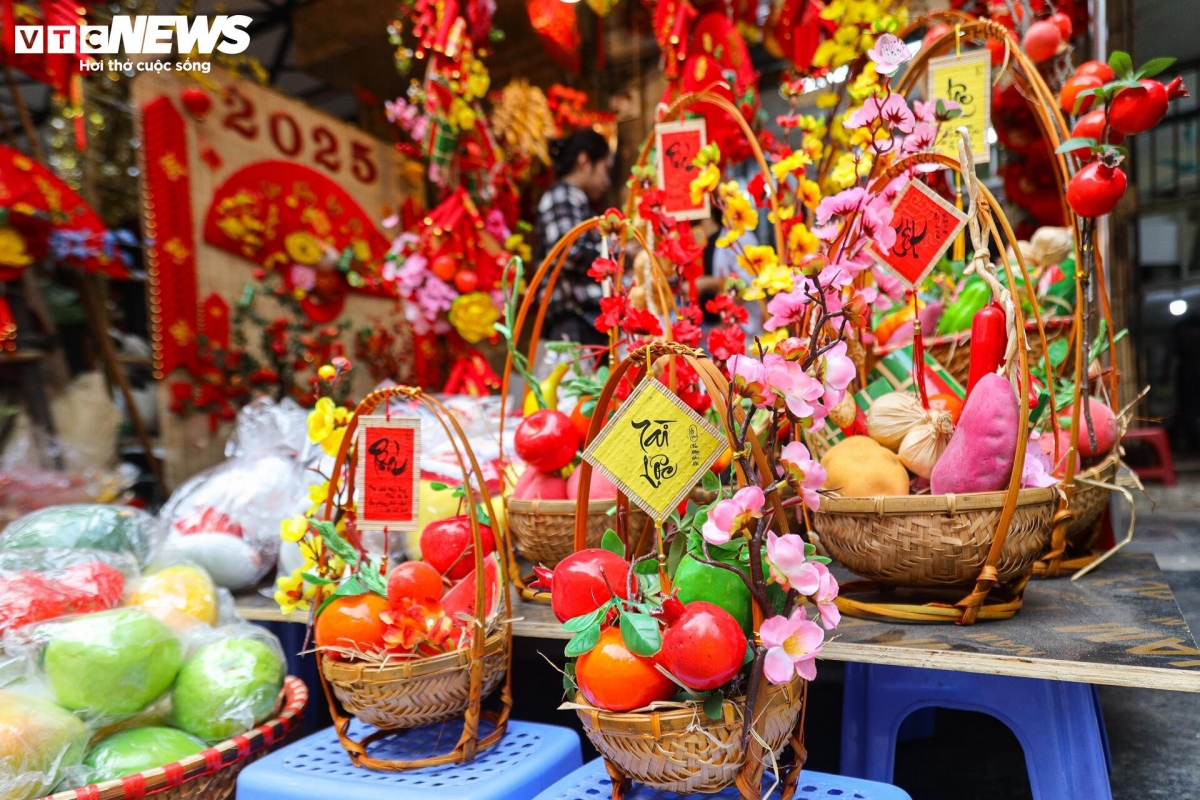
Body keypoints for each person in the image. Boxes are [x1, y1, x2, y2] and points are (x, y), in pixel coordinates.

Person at [535, 129, 613, 347]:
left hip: (581, 322)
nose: (606, 182)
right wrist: (614, 254)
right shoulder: (563, 195)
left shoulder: (574, 198)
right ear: (584, 161)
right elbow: (568, 252)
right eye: (605, 170)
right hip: (573, 324)